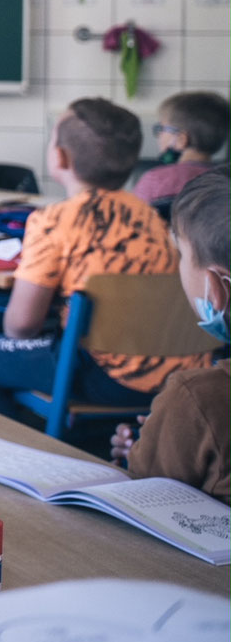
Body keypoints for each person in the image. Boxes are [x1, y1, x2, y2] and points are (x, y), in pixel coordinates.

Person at [0, 98, 211, 422]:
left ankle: (6, 460)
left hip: (106, 374)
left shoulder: (54, 220)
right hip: (180, 369)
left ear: (59, 156)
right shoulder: (154, 217)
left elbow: (20, 326)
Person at [111, 171, 231, 500]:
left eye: (180, 255)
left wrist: (139, 453)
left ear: (216, 289)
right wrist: (163, 438)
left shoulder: (198, 397)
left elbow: (143, 504)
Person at [136, 91, 231, 205]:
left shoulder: (154, 180)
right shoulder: (224, 180)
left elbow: (132, 217)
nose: (160, 135)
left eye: (161, 128)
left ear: (181, 140)